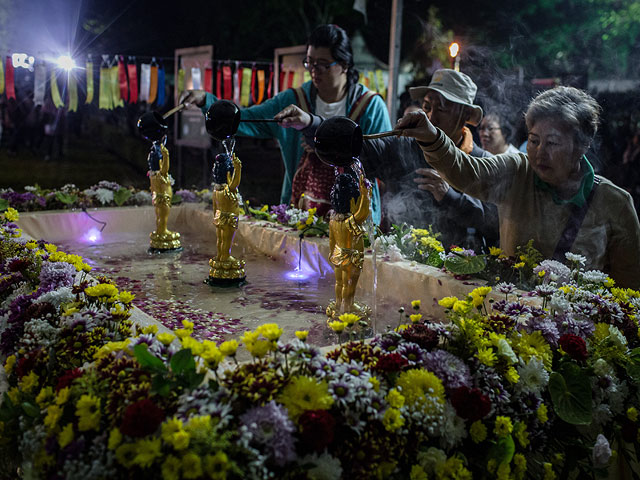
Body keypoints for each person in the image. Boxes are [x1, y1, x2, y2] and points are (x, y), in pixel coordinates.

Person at [396, 86, 640, 288]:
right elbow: (467, 172)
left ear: (582, 145)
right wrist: (432, 138)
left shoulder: (615, 204)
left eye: (552, 143)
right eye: (534, 141)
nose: (539, 153)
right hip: (509, 319)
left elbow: (630, 292)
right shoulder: (516, 171)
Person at [276, 69, 499, 250]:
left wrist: (449, 196)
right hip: (399, 262)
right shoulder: (403, 146)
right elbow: (359, 147)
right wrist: (311, 123)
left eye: (441, 108)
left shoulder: (482, 162)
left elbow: (493, 225)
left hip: (456, 274)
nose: (430, 116)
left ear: (465, 116)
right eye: (427, 106)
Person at [180, 24, 391, 213]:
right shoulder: (292, 100)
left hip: (355, 215)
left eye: (323, 64)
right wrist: (206, 101)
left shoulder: (369, 106)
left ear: (344, 64)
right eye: (310, 63)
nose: (314, 71)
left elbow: (383, 159)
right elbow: (246, 119)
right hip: (300, 214)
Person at [328, 173, 370, 316]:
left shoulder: (333, 221)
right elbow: (363, 213)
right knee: (349, 284)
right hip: (351, 257)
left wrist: (331, 254)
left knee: (339, 283)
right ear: (352, 201)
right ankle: (348, 307)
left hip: (338, 255)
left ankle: (338, 304)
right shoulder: (350, 221)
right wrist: (365, 195)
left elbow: (331, 241)